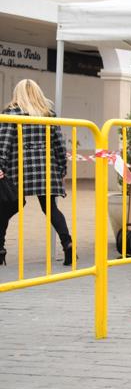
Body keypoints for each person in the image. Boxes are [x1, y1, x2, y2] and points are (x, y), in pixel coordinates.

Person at [0, 79, 72, 267]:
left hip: (19, 169)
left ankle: (0, 250)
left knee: (6, 207)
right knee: (51, 209)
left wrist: (0, 165)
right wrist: (62, 167)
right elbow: (59, 144)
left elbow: (4, 143)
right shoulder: (49, 114)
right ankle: (68, 245)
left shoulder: (11, 114)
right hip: (46, 169)